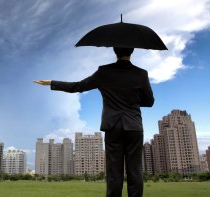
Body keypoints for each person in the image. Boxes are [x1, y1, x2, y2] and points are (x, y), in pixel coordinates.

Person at [34, 47, 154, 197]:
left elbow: (78, 86)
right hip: (134, 126)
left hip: (113, 126)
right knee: (135, 170)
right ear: (132, 51)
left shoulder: (104, 72)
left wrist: (52, 83)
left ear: (115, 52)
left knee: (113, 172)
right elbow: (149, 102)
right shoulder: (141, 74)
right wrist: (132, 101)